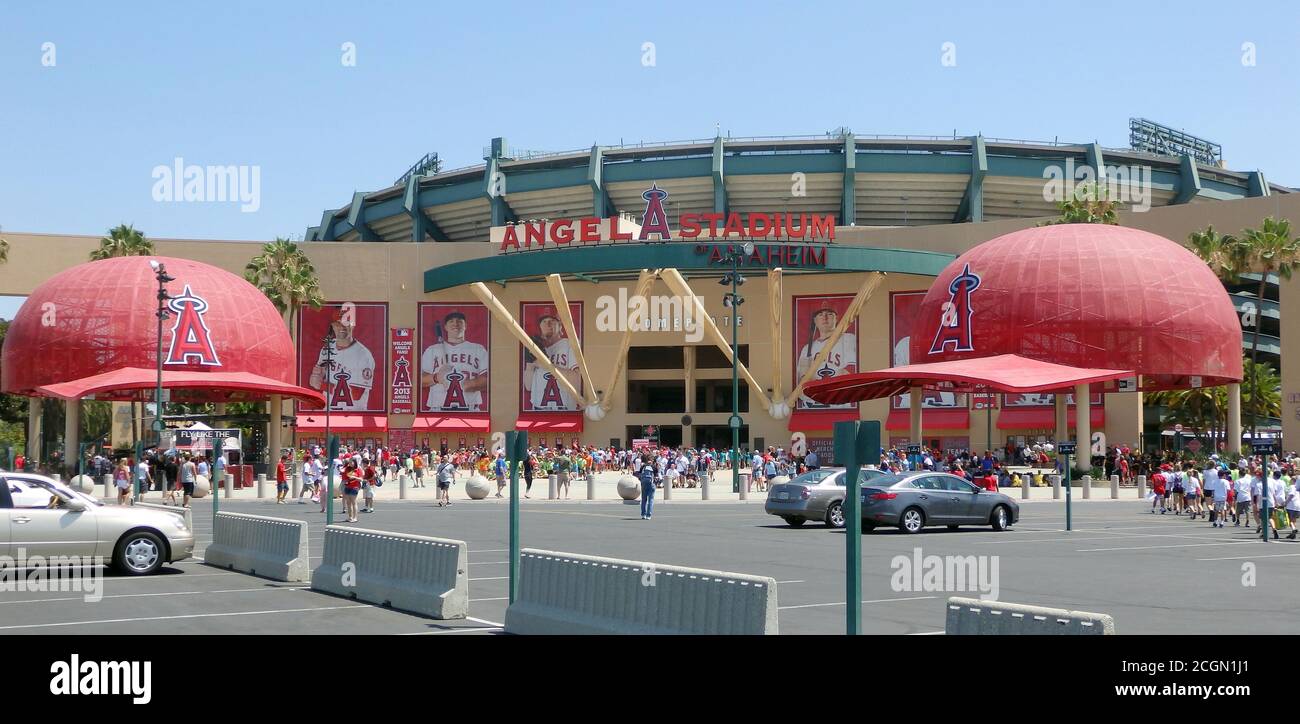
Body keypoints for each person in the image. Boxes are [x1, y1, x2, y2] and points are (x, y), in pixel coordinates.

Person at [421, 310, 490, 412]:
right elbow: (419, 381)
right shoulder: (432, 350)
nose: (455, 324)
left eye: (459, 321)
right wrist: (436, 377)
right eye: (451, 321)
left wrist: (460, 385)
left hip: (470, 408)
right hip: (438, 409)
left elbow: (488, 381)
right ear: (445, 327)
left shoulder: (477, 349)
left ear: (465, 326)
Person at [638, 454, 656, 520]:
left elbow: (639, 474)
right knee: (650, 499)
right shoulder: (653, 466)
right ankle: (649, 515)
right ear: (652, 460)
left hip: (644, 483)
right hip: (651, 484)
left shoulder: (643, 466)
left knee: (644, 499)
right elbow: (657, 475)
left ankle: (643, 514)